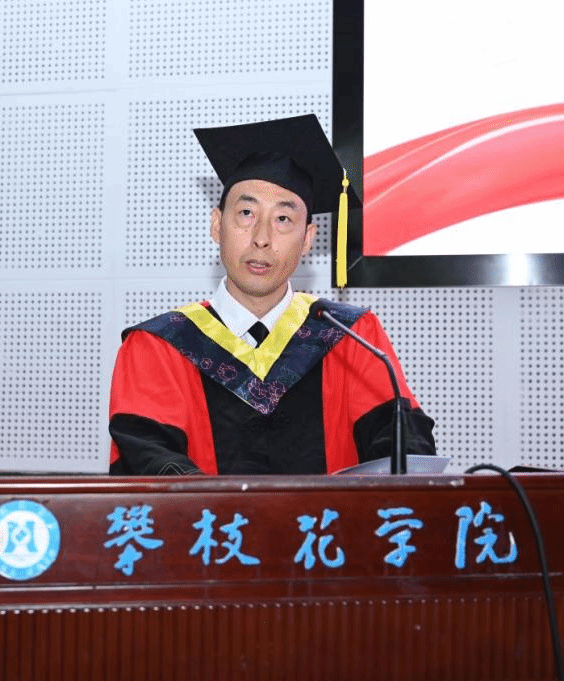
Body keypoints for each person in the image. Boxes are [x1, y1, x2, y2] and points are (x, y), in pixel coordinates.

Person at [108, 114, 435, 475]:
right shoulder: (160, 345)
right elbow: (149, 460)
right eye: (246, 213)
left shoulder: (350, 337)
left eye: (283, 219)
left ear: (307, 239)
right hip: (207, 516)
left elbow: (402, 448)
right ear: (216, 225)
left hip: (330, 516)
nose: (261, 238)